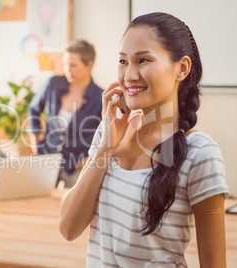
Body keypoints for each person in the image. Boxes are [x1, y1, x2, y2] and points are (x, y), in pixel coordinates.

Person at [59, 12, 229, 267]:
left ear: (181, 68)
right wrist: (106, 148)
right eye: (123, 61)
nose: (129, 75)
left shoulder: (199, 152)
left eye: (144, 60)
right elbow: (69, 228)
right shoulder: (108, 134)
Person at [27, 40, 103, 188]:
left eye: (73, 65)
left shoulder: (101, 97)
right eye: (65, 64)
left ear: (89, 65)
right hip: (46, 160)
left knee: (75, 208)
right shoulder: (53, 84)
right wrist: (34, 144)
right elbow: (33, 109)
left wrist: (90, 159)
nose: (68, 69)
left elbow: (109, 135)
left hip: (77, 166)